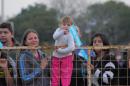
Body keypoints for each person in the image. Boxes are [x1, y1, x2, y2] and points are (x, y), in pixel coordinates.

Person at [52, 16, 75, 86]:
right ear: (60, 25)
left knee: (66, 75)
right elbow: (54, 37)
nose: (66, 26)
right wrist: (62, 31)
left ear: (71, 26)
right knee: (55, 75)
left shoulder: (70, 35)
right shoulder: (58, 30)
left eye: (68, 25)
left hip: (67, 57)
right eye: (64, 24)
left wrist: (60, 51)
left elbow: (71, 48)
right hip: (56, 57)